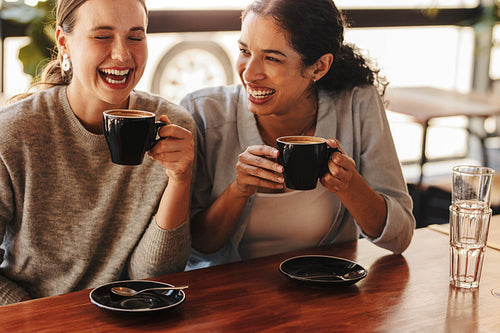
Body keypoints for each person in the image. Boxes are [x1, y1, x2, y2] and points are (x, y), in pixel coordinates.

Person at [180, 0, 415, 269]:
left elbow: (400, 238)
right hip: (230, 300)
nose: (250, 72)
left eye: (272, 58)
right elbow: (194, 248)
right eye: (245, 51)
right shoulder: (202, 113)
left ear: (319, 67)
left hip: (325, 295)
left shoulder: (356, 102)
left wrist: (350, 186)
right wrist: (239, 190)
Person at [0, 0, 196, 305]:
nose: (122, 54)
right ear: (64, 43)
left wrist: (180, 179)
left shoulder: (170, 127)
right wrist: (38, 319)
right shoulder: (14, 134)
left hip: (131, 315)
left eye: (136, 36)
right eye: (102, 36)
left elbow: (156, 276)